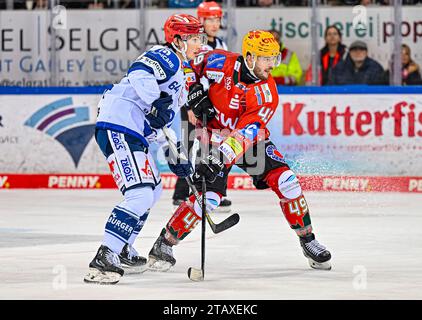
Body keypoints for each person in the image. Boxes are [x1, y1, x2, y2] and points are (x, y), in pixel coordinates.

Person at [147, 30, 332, 272]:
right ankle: (164, 243)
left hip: (248, 142)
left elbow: (245, 135)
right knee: (209, 198)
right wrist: (194, 91)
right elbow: (188, 65)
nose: (271, 65)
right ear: (250, 57)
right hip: (210, 136)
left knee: (287, 182)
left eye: (273, 58)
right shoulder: (219, 61)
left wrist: (218, 158)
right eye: (265, 58)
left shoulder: (267, 93)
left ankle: (308, 241)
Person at [83, 14, 206, 285]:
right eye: (194, 38)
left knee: (154, 189)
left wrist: (176, 154)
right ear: (178, 40)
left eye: (200, 37)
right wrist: (156, 100)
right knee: (139, 194)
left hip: (133, 131)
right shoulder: (166, 54)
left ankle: (124, 246)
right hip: (120, 124)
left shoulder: (181, 76)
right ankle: (105, 255)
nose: (200, 43)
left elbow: (163, 122)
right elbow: (139, 72)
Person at [172, 1, 232, 213]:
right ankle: (181, 193)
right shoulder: (196, 43)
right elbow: (189, 74)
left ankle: (209, 188)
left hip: (211, 104)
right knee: (190, 146)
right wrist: (189, 105)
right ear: (201, 20)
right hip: (193, 102)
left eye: (217, 19)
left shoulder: (221, 45)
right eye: (209, 19)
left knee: (211, 146)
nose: (214, 24)